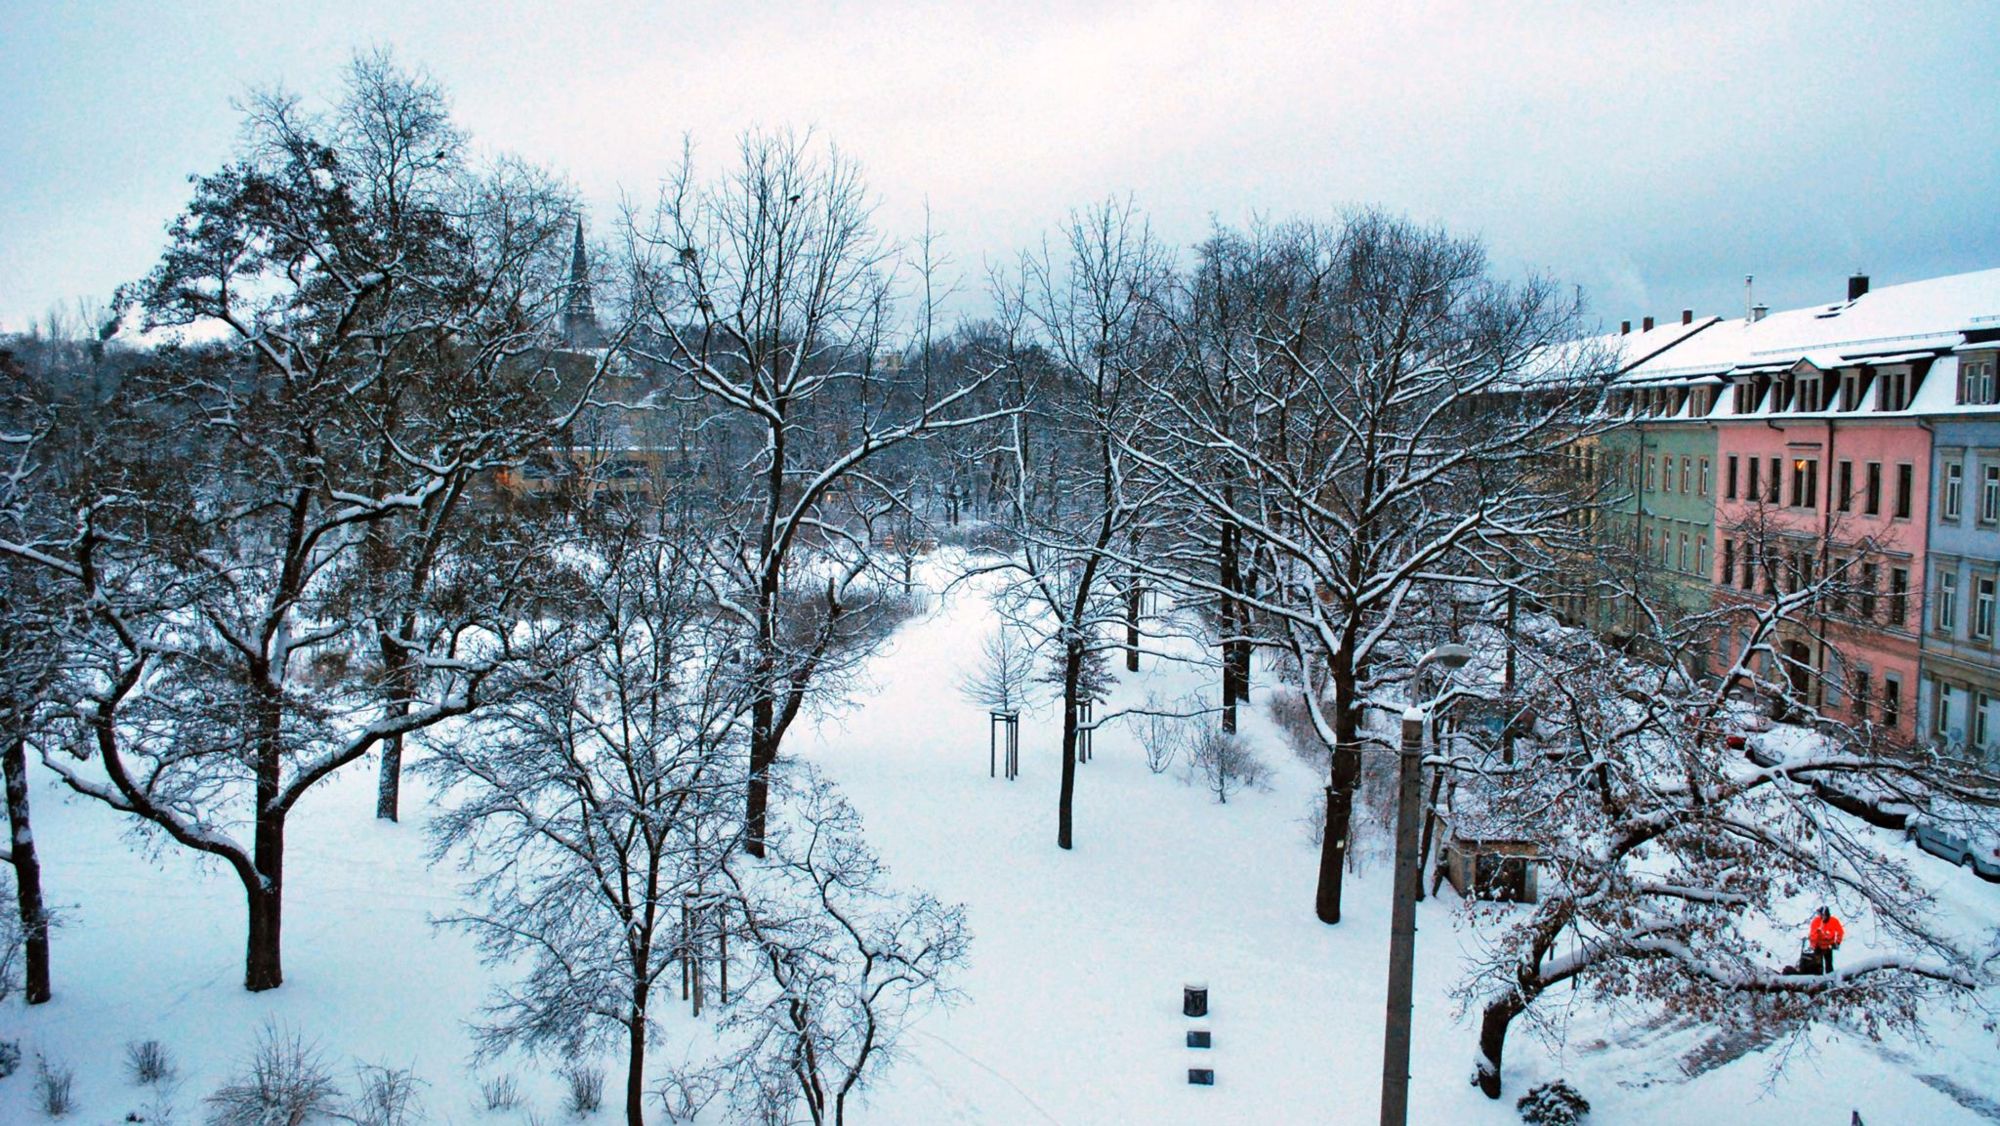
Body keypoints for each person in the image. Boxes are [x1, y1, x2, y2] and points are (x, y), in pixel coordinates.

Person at [1808, 906, 1845, 974]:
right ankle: (1818, 981)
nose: (1821, 916)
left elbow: (1840, 932)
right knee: (1818, 966)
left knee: (1829, 965)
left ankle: (1830, 979)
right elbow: (1812, 935)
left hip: (1829, 946)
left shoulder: (1834, 921)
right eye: (1820, 915)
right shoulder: (1816, 921)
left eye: (1822, 915)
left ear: (1826, 914)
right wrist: (1813, 945)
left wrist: (1837, 942)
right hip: (1818, 947)